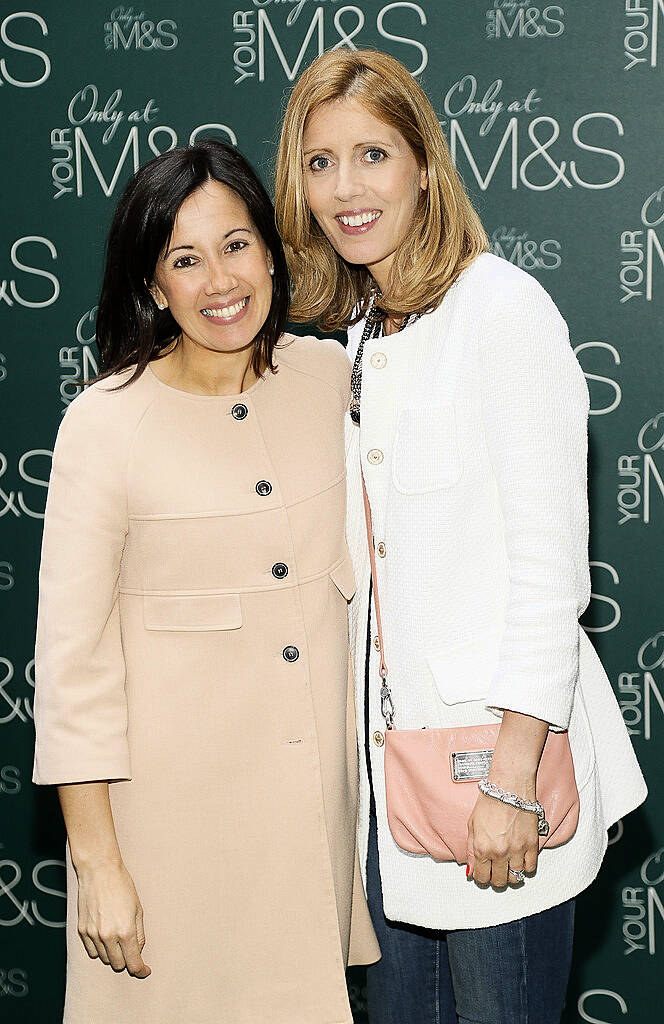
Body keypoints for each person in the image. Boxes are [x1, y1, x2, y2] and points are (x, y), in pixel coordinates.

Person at [275, 49, 647, 1024]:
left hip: (494, 783)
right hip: (387, 800)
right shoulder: (351, 341)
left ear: (423, 166)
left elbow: (547, 570)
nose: (345, 188)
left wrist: (511, 781)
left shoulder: (501, 309)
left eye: (371, 155)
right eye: (319, 163)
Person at [32, 139, 379, 1024]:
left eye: (236, 245)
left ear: (271, 250)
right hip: (166, 849)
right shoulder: (104, 426)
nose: (219, 280)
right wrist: (98, 865)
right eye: (184, 259)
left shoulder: (332, 378)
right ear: (154, 285)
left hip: (307, 842)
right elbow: (71, 670)